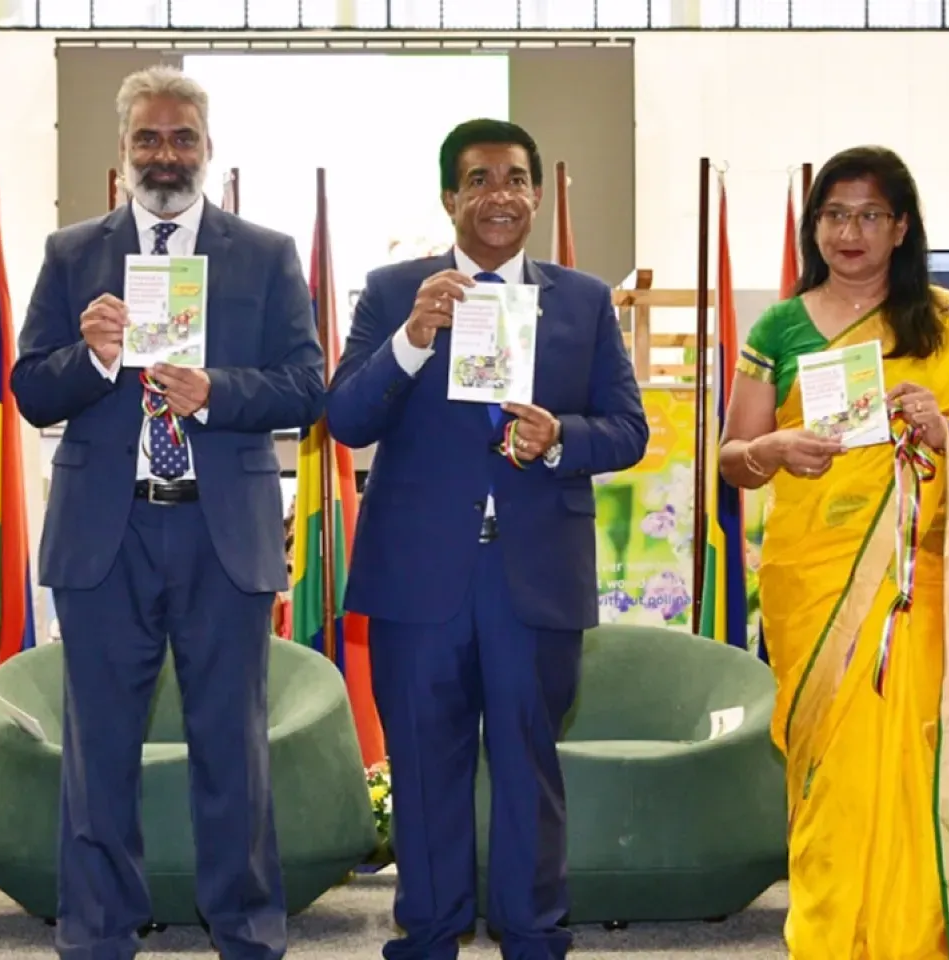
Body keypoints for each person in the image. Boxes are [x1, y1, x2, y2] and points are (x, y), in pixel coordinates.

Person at [11, 64, 323, 960]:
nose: (166, 154)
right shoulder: (72, 254)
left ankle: (248, 932)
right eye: (148, 137)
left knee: (234, 747)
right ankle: (98, 934)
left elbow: (307, 387)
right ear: (122, 152)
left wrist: (215, 391)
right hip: (105, 537)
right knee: (99, 750)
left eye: (182, 137)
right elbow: (30, 389)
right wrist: (93, 358)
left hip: (221, 533)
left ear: (208, 150)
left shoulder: (265, 253)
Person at [719, 146, 949, 959]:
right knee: (834, 784)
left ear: (902, 227)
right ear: (814, 226)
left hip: (925, 599)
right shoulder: (780, 327)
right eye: (834, 215)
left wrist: (946, 430)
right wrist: (774, 447)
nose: (850, 232)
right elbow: (731, 457)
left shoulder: (948, 325)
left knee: (921, 766)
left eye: (870, 215)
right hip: (815, 589)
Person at [327, 118, 648, 960]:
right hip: (419, 576)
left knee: (527, 762)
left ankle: (533, 935)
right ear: (449, 198)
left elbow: (629, 429)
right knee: (422, 763)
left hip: (533, 575)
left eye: (514, 179)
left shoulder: (582, 300)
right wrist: (412, 340)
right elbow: (346, 417)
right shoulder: (394, 291)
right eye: (478, 180)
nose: (498, 195)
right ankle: (429, 934)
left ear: (535, 195)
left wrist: (562, 437)